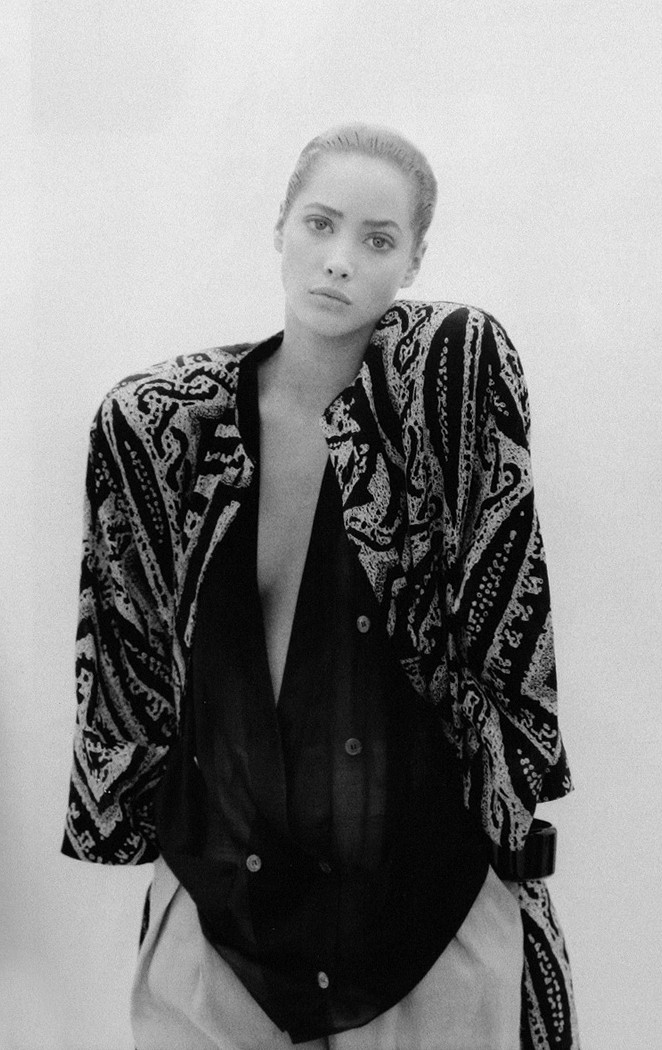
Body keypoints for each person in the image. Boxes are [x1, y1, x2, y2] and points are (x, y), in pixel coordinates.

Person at [62, 123, 579, 1049]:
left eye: (378, 240)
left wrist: (510, 833)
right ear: (281, 227)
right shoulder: (162, 428)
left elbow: (509, 627)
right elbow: (128, 663)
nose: (340, 259)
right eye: (320, 223)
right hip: (221, 923)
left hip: (423, 922)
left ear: (414, 261)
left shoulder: (446, 387)